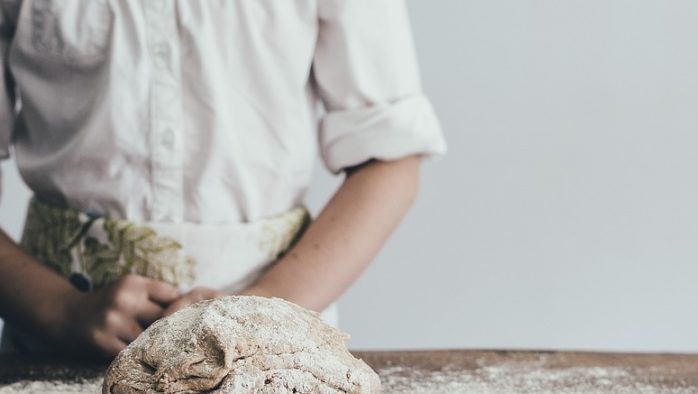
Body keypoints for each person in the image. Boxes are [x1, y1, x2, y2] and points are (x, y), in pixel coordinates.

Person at [0, 0, 445, 359]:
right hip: (52, 346)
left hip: (275, 350)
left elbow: (390, 160)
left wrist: (260, 311)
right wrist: (59, 309)